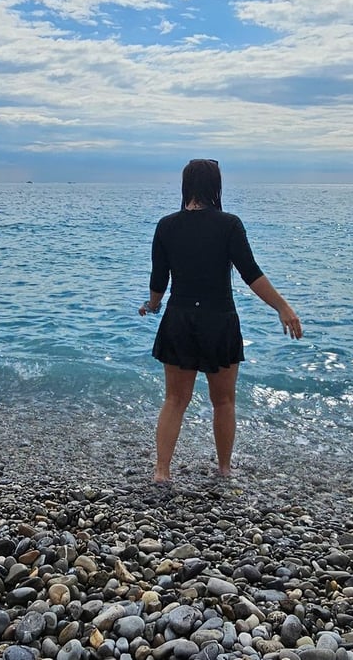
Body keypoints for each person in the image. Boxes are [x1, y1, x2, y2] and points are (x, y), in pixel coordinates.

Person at [139, 159, 302, 482]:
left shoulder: (166, 225)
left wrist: (152, 305)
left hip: (180, 318)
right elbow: (250, 274)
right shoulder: (229, 224)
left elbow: (159, 280)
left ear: (186, 186)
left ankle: (162, 471)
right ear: (216, 186)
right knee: (224, 401)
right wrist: (282, 307)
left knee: (174, 399)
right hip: (219, 319)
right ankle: (224, 469)